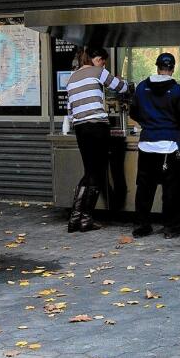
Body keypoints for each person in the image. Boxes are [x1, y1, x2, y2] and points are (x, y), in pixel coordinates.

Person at [129, 52, 180, 240]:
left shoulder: (142, 88)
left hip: (146, 144)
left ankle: (141, 226)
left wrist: (148, 123)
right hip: (168, 145)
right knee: (170, 188)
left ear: (157, 67)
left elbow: (134, 112)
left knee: (144, 187)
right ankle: (171, 228)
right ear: (172, 69)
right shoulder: (177, 90)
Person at [65, 47, 130, 233]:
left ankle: (75, 217)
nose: (104, 65)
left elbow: (70, 111)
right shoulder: (97, 71)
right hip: (97, 126)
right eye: (104, 62)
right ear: (98, 59)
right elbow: (122, 87)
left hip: (79, 127)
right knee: (97, 171)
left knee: (89, 170)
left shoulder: (71, 78)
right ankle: (84, 218)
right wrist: (122, 80)